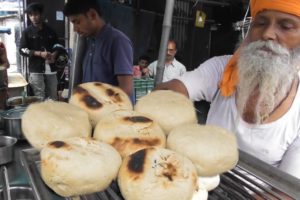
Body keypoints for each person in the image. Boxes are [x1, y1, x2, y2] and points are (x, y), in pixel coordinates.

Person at [155, 0, 300, 180]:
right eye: (260, 23)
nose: (268, 34)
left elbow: (287, 191)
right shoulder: (222, 69)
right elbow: (171, 91)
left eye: (286, 26)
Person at [63, 0, 134, 99]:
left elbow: (126, 89)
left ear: (92, 15)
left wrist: (102, 108)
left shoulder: (118, 41)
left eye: (77, 22)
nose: (75, 29)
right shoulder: (89, 41)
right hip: (92, 107)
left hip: (113, 111)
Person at [19, 2, 59, 100]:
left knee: (53, 96)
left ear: (41, 14)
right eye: (31, 15)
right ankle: (41, 115)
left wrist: (54, 55)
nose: (33, 17)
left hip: (51, 69)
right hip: (36, 69)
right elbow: (22, 50)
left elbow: (58, 46)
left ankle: (52, 115)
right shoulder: (26, 32)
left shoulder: (50, 31)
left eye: (36, 14)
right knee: (39, 97)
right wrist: (39, 54)